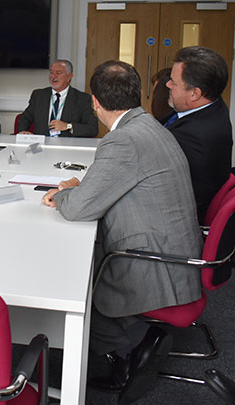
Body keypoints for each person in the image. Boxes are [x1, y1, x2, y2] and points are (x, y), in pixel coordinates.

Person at [42, 60, 202, 404]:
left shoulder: (122, 141)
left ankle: (128, 352)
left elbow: (79, 208)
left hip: (155, 265)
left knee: (82, 285)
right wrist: (84, 188)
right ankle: (135, 343)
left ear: (95, 102)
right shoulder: (149, 126)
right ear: (138, 93)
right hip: (179, 254)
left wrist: (64, 194)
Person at [163, 46, 233, 223]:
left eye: (174, 82)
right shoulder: (213, 107)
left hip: (176, 222)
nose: (167, 85)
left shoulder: (193, 138)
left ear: (195, 94)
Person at [16, 59, 98, 137]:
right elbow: (24, 118)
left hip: (67, 147)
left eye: (58, 73)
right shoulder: (39, 95)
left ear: (69, 76)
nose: (53, 76)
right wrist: (23, 131)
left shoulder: (82, 99)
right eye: (51, 73)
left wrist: (68, 126)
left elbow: (93, 128)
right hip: (41, 146)